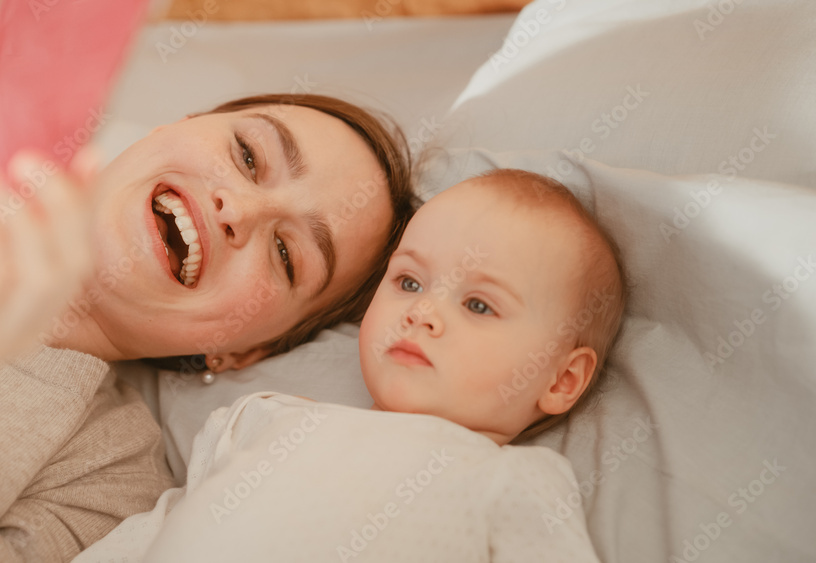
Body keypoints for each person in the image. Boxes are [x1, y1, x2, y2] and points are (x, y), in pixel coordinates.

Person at [0, 43, 417, 561]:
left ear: (243, 351)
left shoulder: (103, 485)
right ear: (172, 127)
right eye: (250, 156)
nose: (241, 210)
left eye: (288, 256)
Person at [73, 169, 626, 561]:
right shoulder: (263, 420)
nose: (423, 312)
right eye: (409, 282)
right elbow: (152, 533)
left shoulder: (513, 482)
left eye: (479, 305)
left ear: (561, 379)